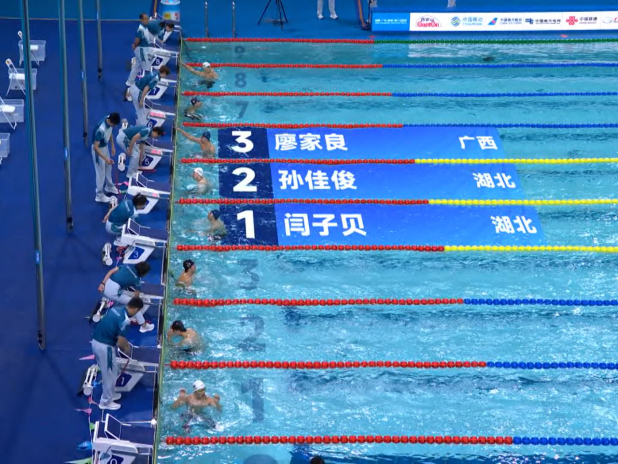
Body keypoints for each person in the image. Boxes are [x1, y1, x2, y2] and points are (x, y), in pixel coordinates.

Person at [91, 297, 144, 410]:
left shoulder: (116, 309)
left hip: (96, 341)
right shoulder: (125, 321)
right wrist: (127, 348)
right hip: (105, 347)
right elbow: (121, 342)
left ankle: (110, 394)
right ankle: (105, 402)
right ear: (135, 309)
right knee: (109, 374)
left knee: (113, 370)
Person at [98, 262, 154, 333]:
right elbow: (136, 296)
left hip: (104, 287)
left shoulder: (125, 266)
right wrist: (135, 304)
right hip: (113, 293)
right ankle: (143, 326)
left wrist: (102, 283)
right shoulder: (136, 280)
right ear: (144, 273)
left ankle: (135, 315)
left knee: (133, 297)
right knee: (135, 305)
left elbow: (111, 271)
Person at [91, 113, 121, 203]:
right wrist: (105, 159)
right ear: (110, 121)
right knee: (101, 173)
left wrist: (112, 146)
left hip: (104, 147)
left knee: (108, 166)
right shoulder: (101, 130)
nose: (114, 126)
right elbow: (95, 147)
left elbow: (110, 131)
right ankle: (99, 195)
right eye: (114, 125)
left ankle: (109, 186)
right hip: (98, 151)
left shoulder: (109, 119)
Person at [127, 13, 157, 86]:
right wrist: (135, 45)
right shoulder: (141, 30)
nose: (147, 20)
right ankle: (146, 84)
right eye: (145, 19)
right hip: (141, 50)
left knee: (137, 66)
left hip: (144, 49)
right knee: (147, 67)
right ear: (141, 20)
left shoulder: (145, 26)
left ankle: (130, 82)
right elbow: (137, 40)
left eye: (147, 18)